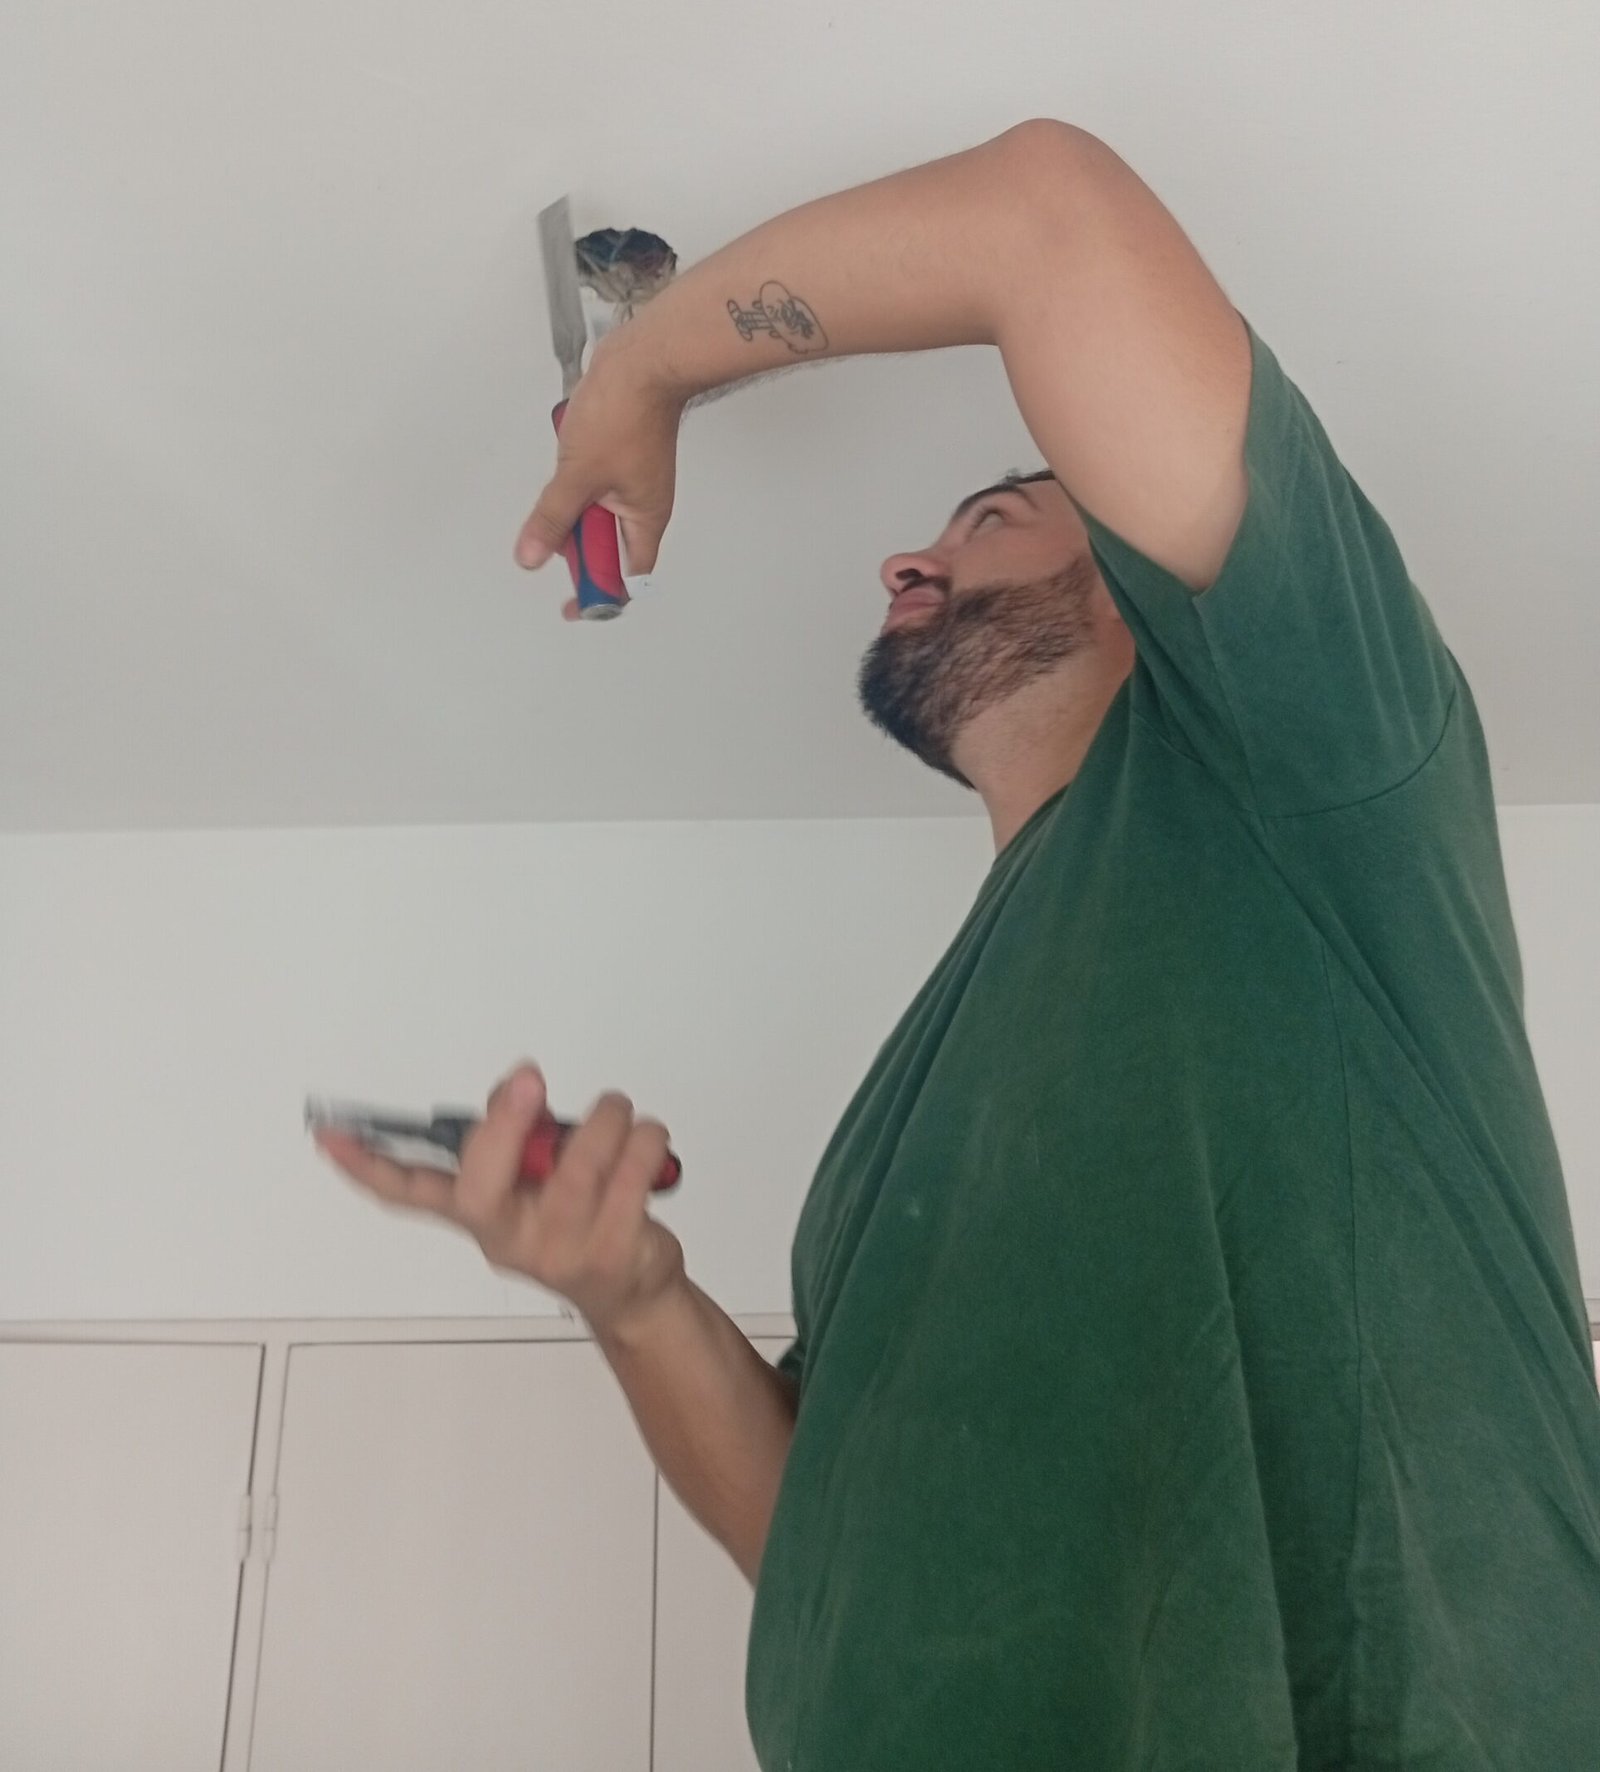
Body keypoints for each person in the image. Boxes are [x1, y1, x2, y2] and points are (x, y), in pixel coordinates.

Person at [317, 119, 1600, 1769]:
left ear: (1143, 581)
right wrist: (632, 1299)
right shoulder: (898, 1121)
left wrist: (646, 366)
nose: (905, 557)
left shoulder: (1309, 770)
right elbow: (827, 1541)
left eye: (993, 515)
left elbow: (1045, 215)